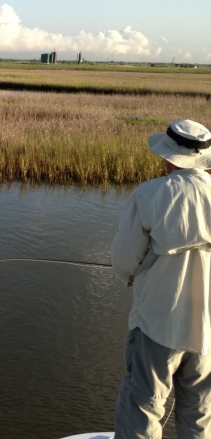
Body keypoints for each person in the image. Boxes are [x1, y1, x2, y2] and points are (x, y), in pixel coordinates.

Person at [111, 119, 211, 438]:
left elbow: (124, 260)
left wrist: (130, 276)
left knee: (144, 406)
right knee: (199, 412)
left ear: (169, 156)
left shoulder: (150, 194)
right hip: (208, 331)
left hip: (158, 323)